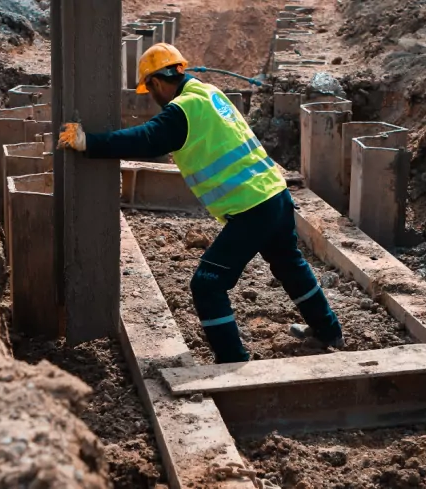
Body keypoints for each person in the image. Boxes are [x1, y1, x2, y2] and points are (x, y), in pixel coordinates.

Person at [57, 43, 343, 363]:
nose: (153, 97)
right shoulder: (210, 94)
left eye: (150, 90)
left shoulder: (184, 109)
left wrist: (87, 142)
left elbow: (147, 140)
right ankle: (329, 332)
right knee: (289, 265)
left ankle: (232, 359)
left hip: (252, 208)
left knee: (207, 284)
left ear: (156, 82)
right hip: (275, 194)